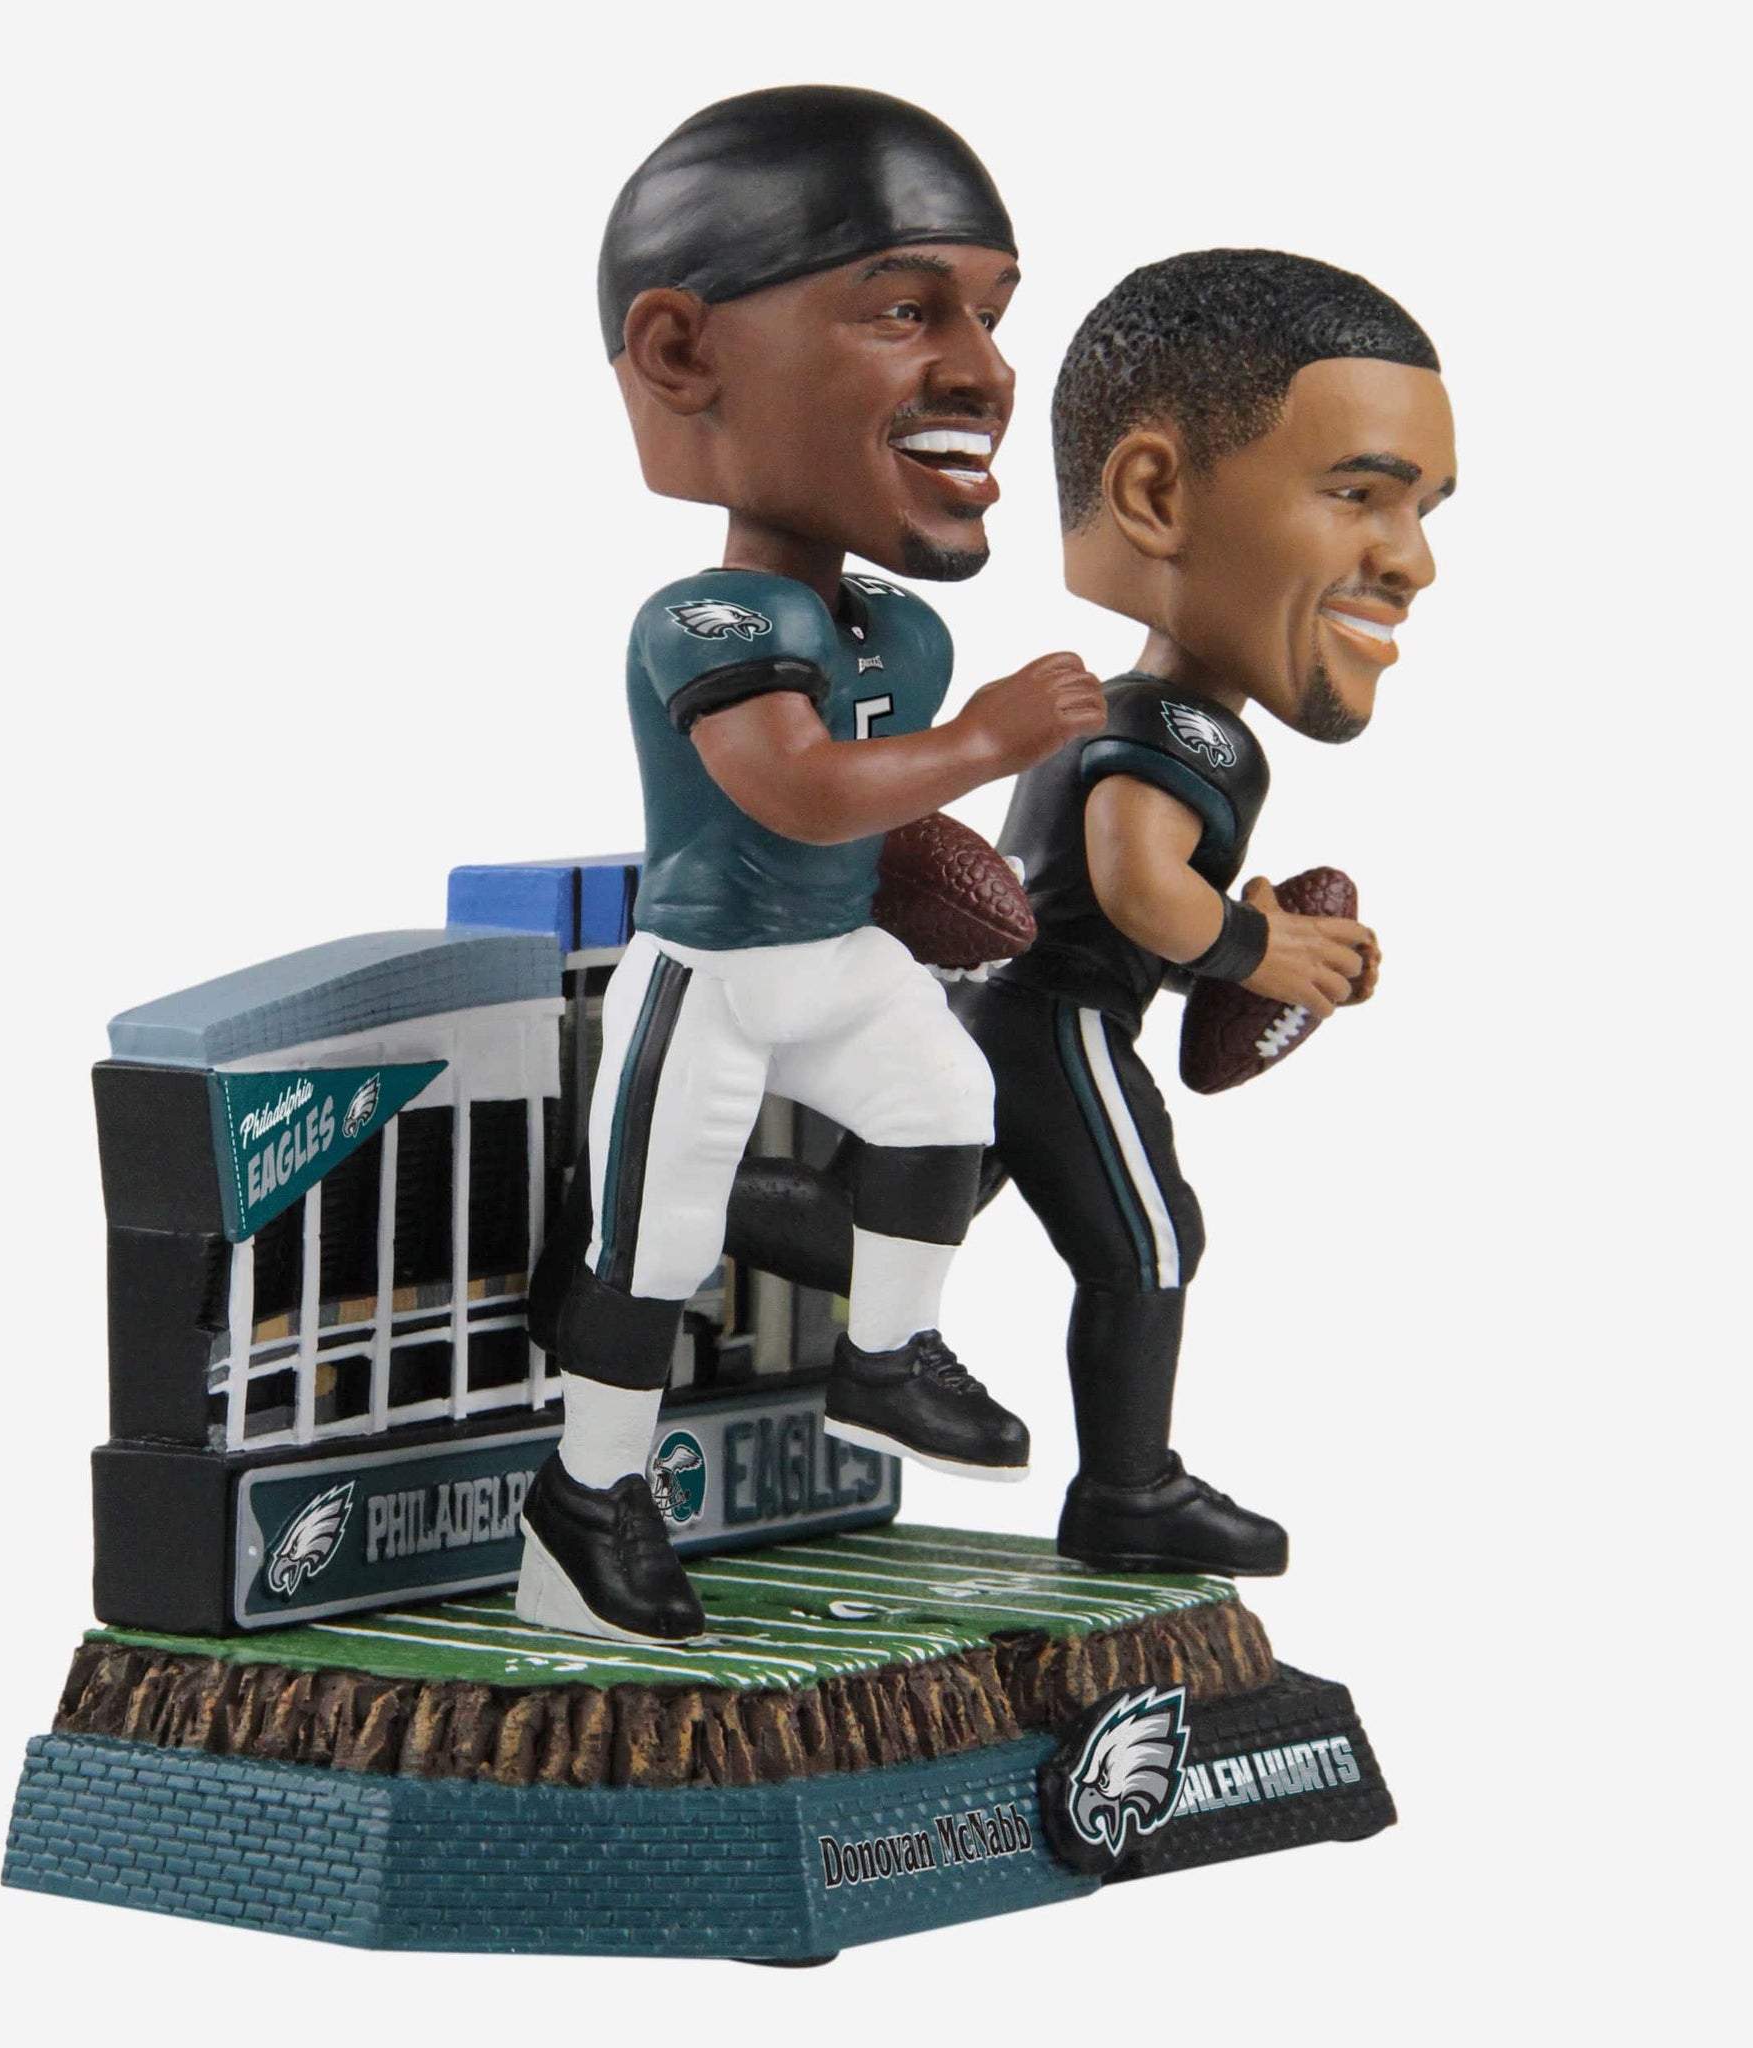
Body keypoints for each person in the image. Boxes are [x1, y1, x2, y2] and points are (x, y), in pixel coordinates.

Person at [515, 86, 1106, 1646]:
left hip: (838, 954)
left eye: (990, 316)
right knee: (656, 1250)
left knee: (947, 1103)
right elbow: (794, 787)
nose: (984, 368)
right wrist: (984, 744)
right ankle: (587, 1495)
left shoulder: (897, 629)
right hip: (708, 970)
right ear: (683, 355)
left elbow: (876, 824)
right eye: (908, 309)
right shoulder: (704, 618)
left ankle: (884, 1355)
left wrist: (967, 870)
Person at [958, 248, 1457, 1575]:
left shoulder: (1129, 712)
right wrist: (1258, 948)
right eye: (1360, 493)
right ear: (1156, 496)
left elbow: (1117, 903)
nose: (1412, 560)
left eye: (1425, 511)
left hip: (1005, 1011)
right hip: (1057, 1024)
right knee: (1148, 1238)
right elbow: (1133, 883)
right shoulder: (1180, 726)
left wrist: (1238, 957)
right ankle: (1129, 1491)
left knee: (897, 1215)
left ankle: (669, 1232)